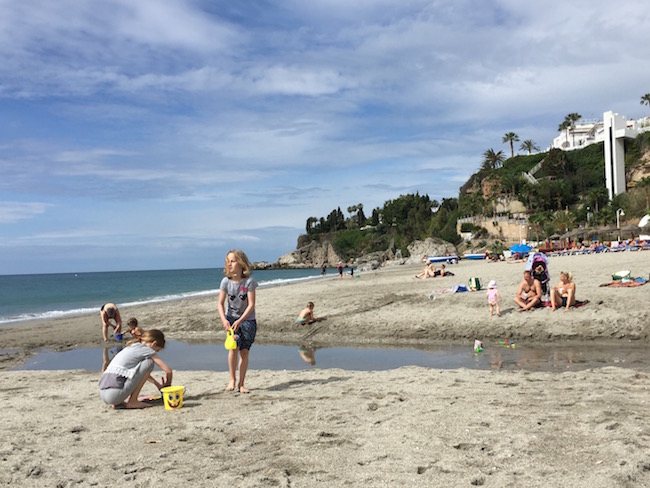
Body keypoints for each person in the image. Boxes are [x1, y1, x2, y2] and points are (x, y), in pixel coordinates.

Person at [98, 329, 172, 409]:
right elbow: (168, 371)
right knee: (149, 362)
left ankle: (118, 402)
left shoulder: (132, 347)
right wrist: (167, 386)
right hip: (114, 395)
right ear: (154, 344)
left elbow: (141, 373)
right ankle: (133, 401)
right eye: (157, 350)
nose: (155, 352)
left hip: (103, 394)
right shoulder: (147, 350)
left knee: (145, 364)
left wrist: (157, 384)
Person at [218, 250, 258, 394]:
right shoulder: (225, 282)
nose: (230, 264)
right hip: (231, 319)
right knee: (232, 348)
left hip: (247, 320)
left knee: (244, 352)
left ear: (241, 263)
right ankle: (232, 380)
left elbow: (251, 304)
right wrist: (224, 320)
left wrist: (241, 320)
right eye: (228, 261)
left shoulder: (249, 282)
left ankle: (241, 383)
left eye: (233, 261)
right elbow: (220, 303)